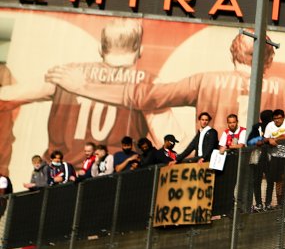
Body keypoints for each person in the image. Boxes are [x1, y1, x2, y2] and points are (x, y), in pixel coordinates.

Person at [46, 29, 285, 140]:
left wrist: (83, 86)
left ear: (233, 52)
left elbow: (143, 97)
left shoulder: (205, 81)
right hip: (262, 164)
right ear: (270, 58)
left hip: (215, 163)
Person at [0, 19, 172, 165]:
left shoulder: (64, 74)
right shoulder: (148, 84)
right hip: (115, 183)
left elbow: (7, 97)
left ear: (100, 49)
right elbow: (173, 144)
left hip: (58, 182)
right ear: (140, 51)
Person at [263, 108, 285, 207]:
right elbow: (265, 138)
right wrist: (269, 139)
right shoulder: (270, 125)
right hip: (275, 156)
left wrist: (277, 139)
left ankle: (284, 201)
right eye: (275, 118)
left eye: (279, 118)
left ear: (283, 117)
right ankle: (278, 202)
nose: (277, 120)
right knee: (276, 179)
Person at [247, 110, 273, 211]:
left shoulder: (273, 127)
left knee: (269, 180)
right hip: (258, 158)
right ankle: (260, 203)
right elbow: (249, 141)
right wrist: (259, 140)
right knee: (257, 181)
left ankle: (267, 203)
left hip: (269, 157)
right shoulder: (257, 127)